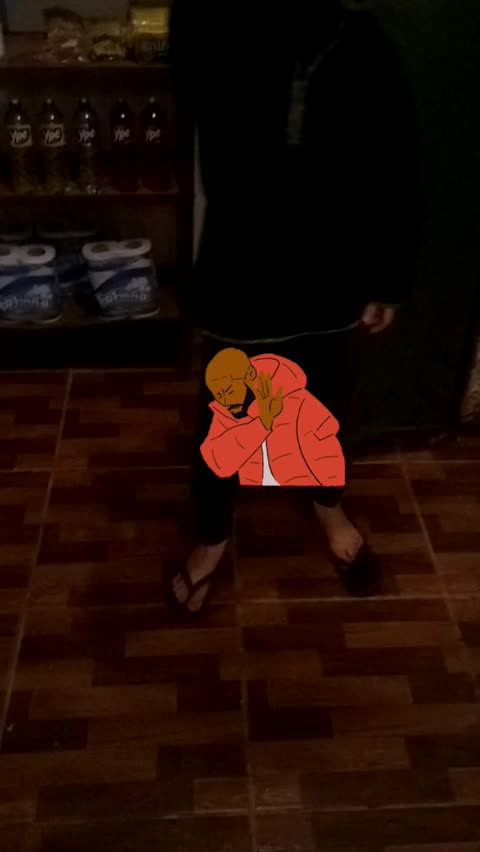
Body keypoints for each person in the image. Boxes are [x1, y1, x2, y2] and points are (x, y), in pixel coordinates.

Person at [167, 0, 422, 617]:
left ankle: (327, 504)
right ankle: (212, 532)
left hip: (334, 262)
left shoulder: (357, 34)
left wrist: (389, 277)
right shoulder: (212, 20)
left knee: (326, 401)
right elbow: (191, 67)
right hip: (242, 256)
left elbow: (397, 157)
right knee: (228, 406)